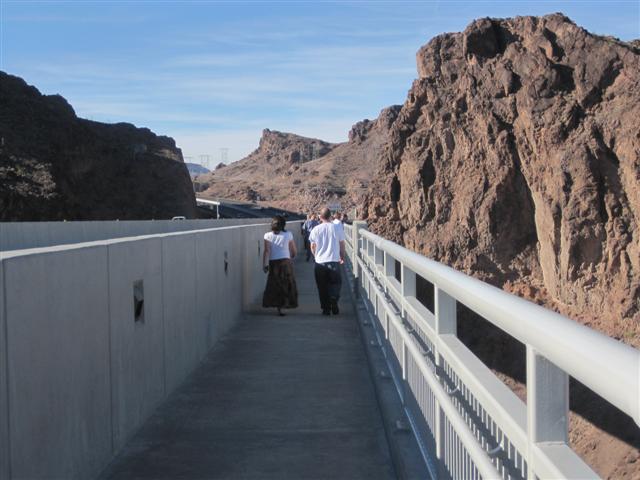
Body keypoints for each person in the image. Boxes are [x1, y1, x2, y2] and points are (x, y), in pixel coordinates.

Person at [310, 208, 346, 315]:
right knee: (336, 283)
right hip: (334, 260)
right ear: (331, 216)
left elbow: (312, 246)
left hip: (320, 262)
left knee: (322, 286)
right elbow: (342, 244)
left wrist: (315, 256)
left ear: (320, 217)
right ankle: (334, 298)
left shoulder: (315, 229)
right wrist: (342, 256)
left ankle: (326, 309)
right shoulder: (336, 228)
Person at [262, 216, 298, 316]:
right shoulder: (288, 234)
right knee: (286, 283)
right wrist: (293, 255)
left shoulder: (267, 235)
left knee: (275, 284)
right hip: (286, 262)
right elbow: (293, 249)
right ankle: (283, 305)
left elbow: (267, 251)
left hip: (273, 263)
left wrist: (264, 264)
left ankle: (278, 306)